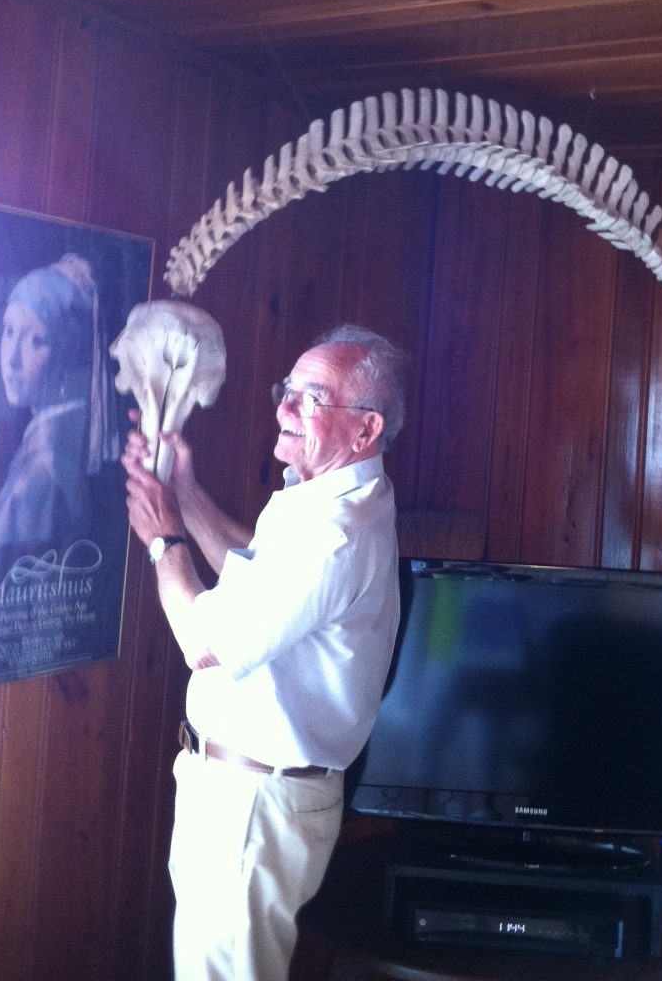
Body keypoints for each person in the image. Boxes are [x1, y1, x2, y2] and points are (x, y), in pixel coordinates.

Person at [122, 323, 406, 981]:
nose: (282, 407)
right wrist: (185, 494)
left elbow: (207, 641)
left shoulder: (335, 531)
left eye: (311, 397)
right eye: (288, 390)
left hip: (253, 807)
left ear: (365, 430)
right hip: (246, 797)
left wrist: (165, 542)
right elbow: (259, 585)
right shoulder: (340, 497)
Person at [0, 252, 119, 548]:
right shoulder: (48, 447)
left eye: (36, 340)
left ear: (66, 354)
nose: (13, 359)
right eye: (9, 332)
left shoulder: (40, 473)